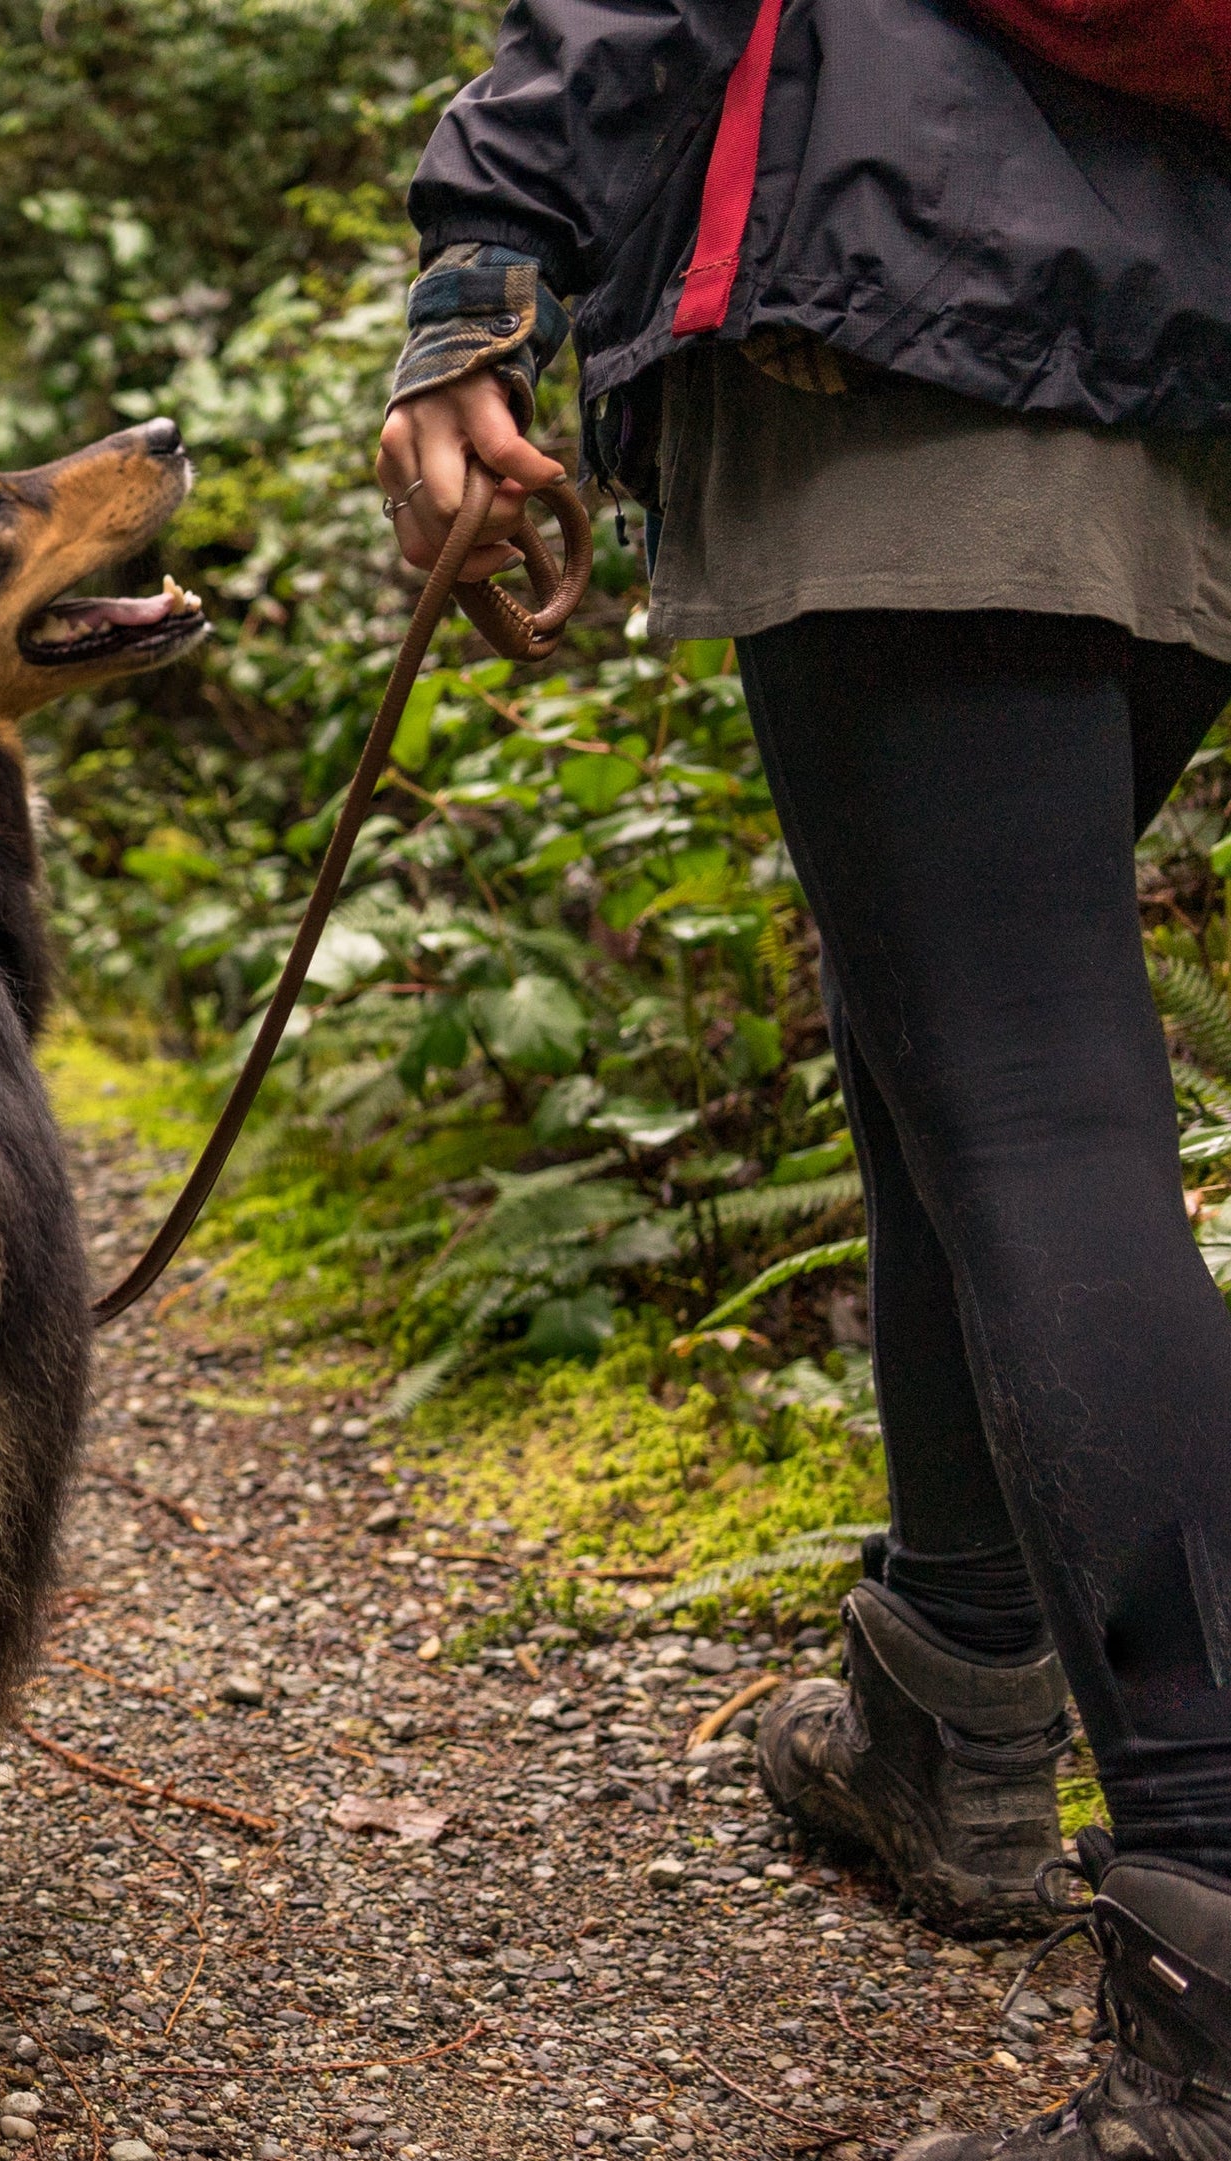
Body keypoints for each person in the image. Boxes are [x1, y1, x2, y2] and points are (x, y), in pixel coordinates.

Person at [377, 8, 1231, 2156]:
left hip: (916, 288)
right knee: (949, 1012)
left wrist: (478, 268)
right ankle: (950, 1705)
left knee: (1029, 1080)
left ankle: (1214, 1925)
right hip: (1192, 326)